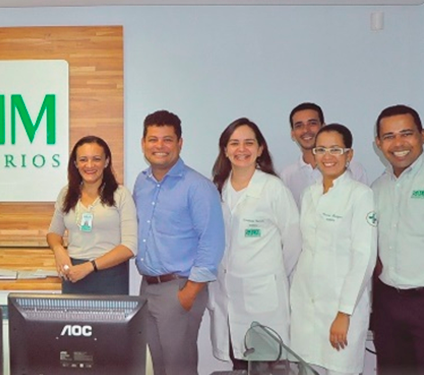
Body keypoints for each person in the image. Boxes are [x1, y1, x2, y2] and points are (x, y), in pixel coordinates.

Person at [134, 110, 225, 375]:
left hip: (179, 288)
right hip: (147, 288)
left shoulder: (198, 186)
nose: (159, 146)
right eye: (153, 139)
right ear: (143, 143)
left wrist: (190, 292)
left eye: (167, 139)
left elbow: (212, 241)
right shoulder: (142, 182)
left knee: (178, 369)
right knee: (159, 368)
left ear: (180, 143)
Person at [208, 118, 301, 369]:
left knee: (268, 366)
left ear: (260, 149)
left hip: (264, 297)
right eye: (234, 143)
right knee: (239, 364)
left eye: (249, 143)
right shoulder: (217, 188)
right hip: (228, 297)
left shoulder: (273, 188)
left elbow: (293, 243)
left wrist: (271, 275)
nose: (242, 149)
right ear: (225, 150)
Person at [290, 123, 376, 375]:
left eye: (336, 149)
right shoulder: (309, 194)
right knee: (307, 369)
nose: (328, 156)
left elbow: (364, 257)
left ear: (349, 155)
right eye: (321, 149)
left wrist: (344, 312)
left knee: (340, 369)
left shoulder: (361, 195)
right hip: (306, 305)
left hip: (341, 307)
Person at [371, 104, 424, 375]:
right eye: (389, 136)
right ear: (378, 143)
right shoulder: (377, 188)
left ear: (423, 135)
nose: (398, 144)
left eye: (406, 133)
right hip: (388, 303)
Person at [47, 135, 137, 295]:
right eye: (83, 160)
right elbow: (53, 233)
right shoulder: (66, 194)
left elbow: (129, 247)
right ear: (75, 163)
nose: (89, 165)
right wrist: (58, 249)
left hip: (110, 276)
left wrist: (90, 267)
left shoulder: (121, 194)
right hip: (73, 275)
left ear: (106, 162)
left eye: (96, 159)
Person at [281, 102, 368, 207]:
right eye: (299, 126)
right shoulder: (287, 176)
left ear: (323, 127)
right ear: (292, 133)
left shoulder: (354, 169)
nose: (306, 130)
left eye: (312, 123)